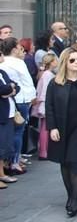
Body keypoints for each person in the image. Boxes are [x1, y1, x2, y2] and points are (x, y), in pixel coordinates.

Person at [45, 47, 77, 217]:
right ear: (65, 62)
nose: (76, 63)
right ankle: (71, 195)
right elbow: (49, 106)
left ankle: (73, 200)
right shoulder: (55, 83)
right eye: (72, 60)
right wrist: (52, 127)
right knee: (65, 163)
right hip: (62, 128)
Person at [0, 37, 36, 175]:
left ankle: (11, 161)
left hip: (13, 99)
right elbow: (27, 81)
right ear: (14, 49)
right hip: (21, 100)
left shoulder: (5, 63)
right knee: (17, 132)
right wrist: (33, 96)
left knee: (10, 134)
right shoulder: (19, 63)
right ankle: (14, 161)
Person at [33, 53, 57, 160]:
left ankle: (44, 150)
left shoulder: (46, 74)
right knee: (45, 127)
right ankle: (43, 151)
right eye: (55, 60)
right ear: (51, 62)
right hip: (45, 103)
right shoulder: (48, 75)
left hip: (43, 102)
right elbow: (46, 91)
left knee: (44, 127)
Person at [0, 55, 19, 189]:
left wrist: (11, 88)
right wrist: (8, 88)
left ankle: (2, 173)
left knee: (5, 145)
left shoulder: (2, 72)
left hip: (9, 113)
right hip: (2, 114)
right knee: (1, 146)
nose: (2, 56)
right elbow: (3, 89)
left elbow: (16, 87)